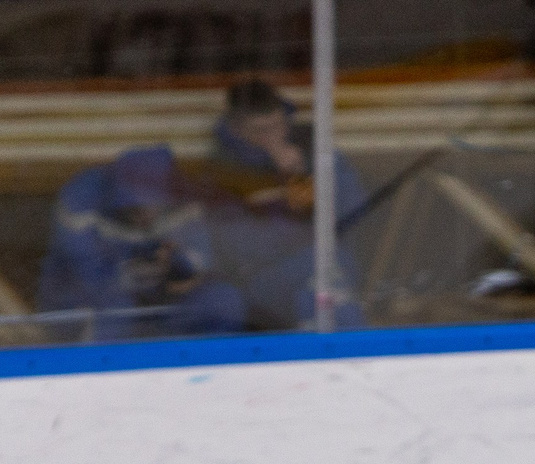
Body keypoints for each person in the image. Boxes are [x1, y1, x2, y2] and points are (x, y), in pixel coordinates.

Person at [187, 78, 365, 331]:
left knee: (324, 284)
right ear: (237, 130)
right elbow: (239, 247)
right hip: (257, 278)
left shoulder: (315, 152)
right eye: (260, 131)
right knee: (319, 284)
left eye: (278, 125)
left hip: (326, 266)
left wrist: (301, 175)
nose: (273, 137)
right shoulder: (223, 171)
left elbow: (353, 213)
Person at [36, 145, 247, 338]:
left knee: (221, 298)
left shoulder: (187, 202)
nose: (146, 215)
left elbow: (200, 265)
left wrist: (173, 267)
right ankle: (106, 365)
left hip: (164, 304)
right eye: (135, 207)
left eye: (153, 202)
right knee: (117, 306)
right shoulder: (82, 202)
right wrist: (121, 278)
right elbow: (79, 273)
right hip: (95, 301)